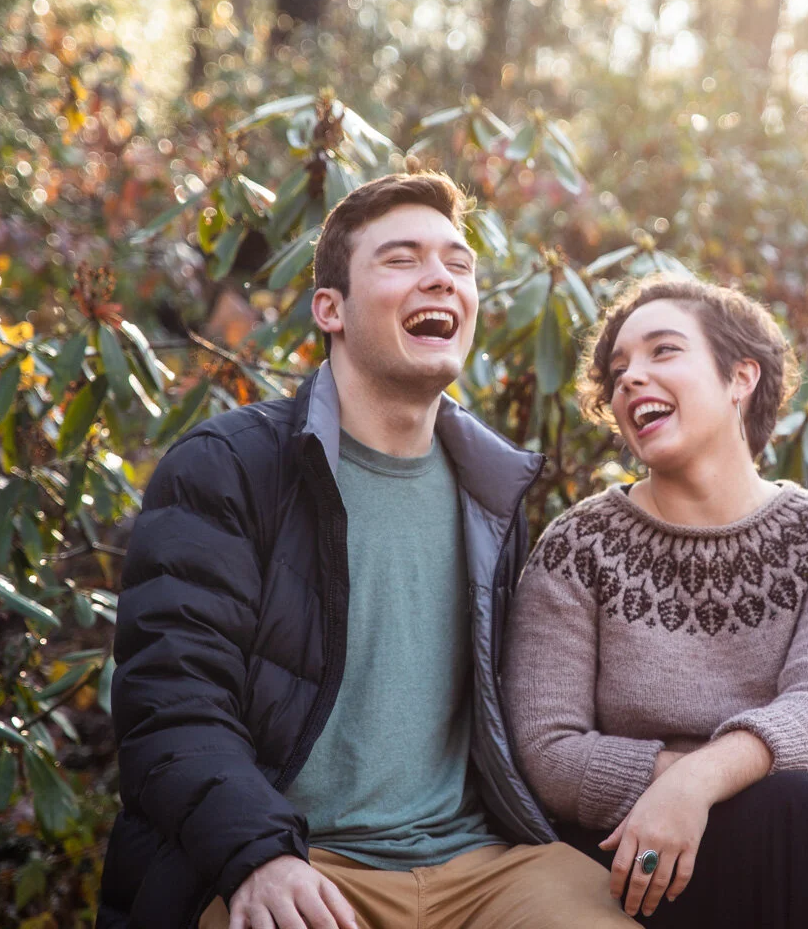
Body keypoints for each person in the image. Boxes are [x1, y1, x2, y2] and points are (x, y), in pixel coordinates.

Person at [98, 173, 635, 929]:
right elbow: (171, 702)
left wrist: (697, 768)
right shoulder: (228, 467)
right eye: (402, 259)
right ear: (331, 309)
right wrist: (260, 854)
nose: (440, 278)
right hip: (304, 864)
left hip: (481, 869)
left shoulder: (491, 491)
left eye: (458, 263)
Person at [505, 276, 808, 928]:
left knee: (787, 806)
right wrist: (666, 786)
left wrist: (696, 786)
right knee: (789, 805)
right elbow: (547, 750)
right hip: (620, 863)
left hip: (775, 850)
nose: (630, 378)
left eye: (663, 351)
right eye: (618, 368)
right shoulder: (578, 544)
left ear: (741, 377)